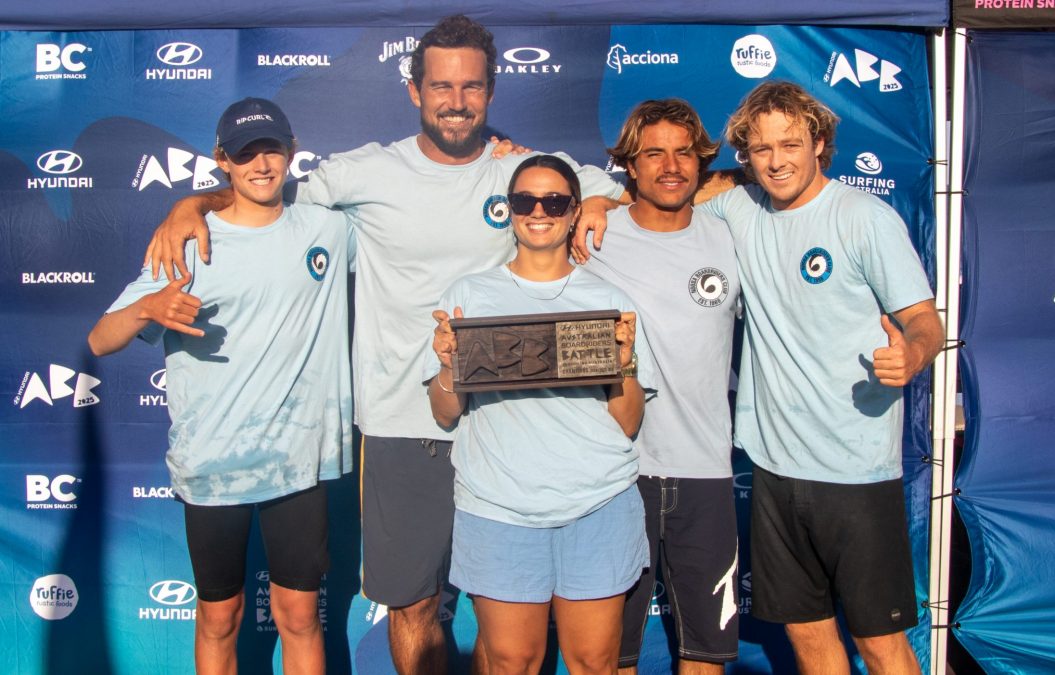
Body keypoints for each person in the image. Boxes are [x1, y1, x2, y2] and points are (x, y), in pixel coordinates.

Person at [142, 15, 624, 675]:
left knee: (505, 613)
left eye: (472, 87)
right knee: (411, 604)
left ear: (492, 91)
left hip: (506, 425)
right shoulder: (363, 173)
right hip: (403, 430)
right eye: (441, 86)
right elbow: (262, 201)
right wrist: (192, 204)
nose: (456, 101)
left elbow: (618, 193)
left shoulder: (527, 175)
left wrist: (598, 204)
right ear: (413, 91)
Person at [577, 81, 944, 675]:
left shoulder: (864, 217)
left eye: (790, 144)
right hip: (773, 470)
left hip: (856, 469)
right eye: (761, 149)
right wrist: (601, 199)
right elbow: (670, 187)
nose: (777, 160)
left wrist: (915, 353)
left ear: (819, 143)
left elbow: (923, 319)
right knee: (807, 635)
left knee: (880, 644)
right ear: (745, 157)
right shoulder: (737, 210)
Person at [88, 98, 352, 675]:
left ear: (291, 151)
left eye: (271, 149)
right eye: (244, 153)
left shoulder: (329, 228)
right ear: (222, 161)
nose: (261, 164)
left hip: (297, 460)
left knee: (301, 618)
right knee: (219, 618)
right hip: (212, 462)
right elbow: (101, 340)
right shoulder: (185, 244)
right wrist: (149, 308)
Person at [425, 154, 656, 675]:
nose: (539, 211)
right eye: (525, 200)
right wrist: (447, 367)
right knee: (511, 663)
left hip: (598, 504)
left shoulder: (609, 301)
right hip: (498, 507)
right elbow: (444, 413)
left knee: (595, 663)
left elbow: (629, 420)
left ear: (574, 211)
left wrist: (623, 364)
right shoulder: (468, 296)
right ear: (508, 210)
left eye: (554, 202)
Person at [581, 99, 741, 674]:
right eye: (654, 153)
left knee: (707, 657)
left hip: (707, 474)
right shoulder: (590, 237)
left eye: (683, 152)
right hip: (616, 476)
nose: (671, 166)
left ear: (702, 161)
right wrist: (596, 201)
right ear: (629, 164)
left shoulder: (729, 237)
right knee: (611, 658)